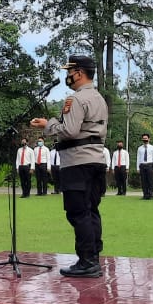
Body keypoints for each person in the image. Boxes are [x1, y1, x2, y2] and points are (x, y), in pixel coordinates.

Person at [30, 55, 108, 278]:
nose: (68, 77)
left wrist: (49, 124)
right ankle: (93, 257)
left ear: (79, 73)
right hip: (96, 161)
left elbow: (70, 131)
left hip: (77, 161)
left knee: (77, 212)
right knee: (91, 211)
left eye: (70, 72)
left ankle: (87, 261)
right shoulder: (99, 98)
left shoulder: (75, 99)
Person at [135, 134, 153, 199]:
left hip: (149, 164)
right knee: (143, 181)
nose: (145, 139)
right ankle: (145, 195)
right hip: (142, 165)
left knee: (150, 181)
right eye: (143, 138)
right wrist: (138, 168)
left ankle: (150, 195)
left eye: (146, 138)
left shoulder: (152, 148)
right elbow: (138, 158)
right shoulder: (139, 148)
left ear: (149, 139)